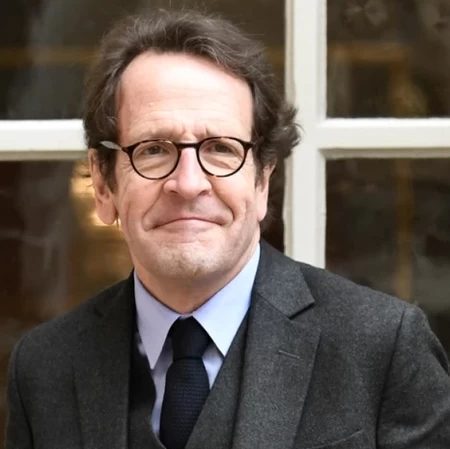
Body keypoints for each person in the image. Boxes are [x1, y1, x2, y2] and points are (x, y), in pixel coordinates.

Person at [5, 8, 450, 449]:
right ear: (104, 184)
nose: (188, 184)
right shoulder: (44, 368)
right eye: (154, 149)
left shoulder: (384, 350)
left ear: (262, 180)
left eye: (220, 148)